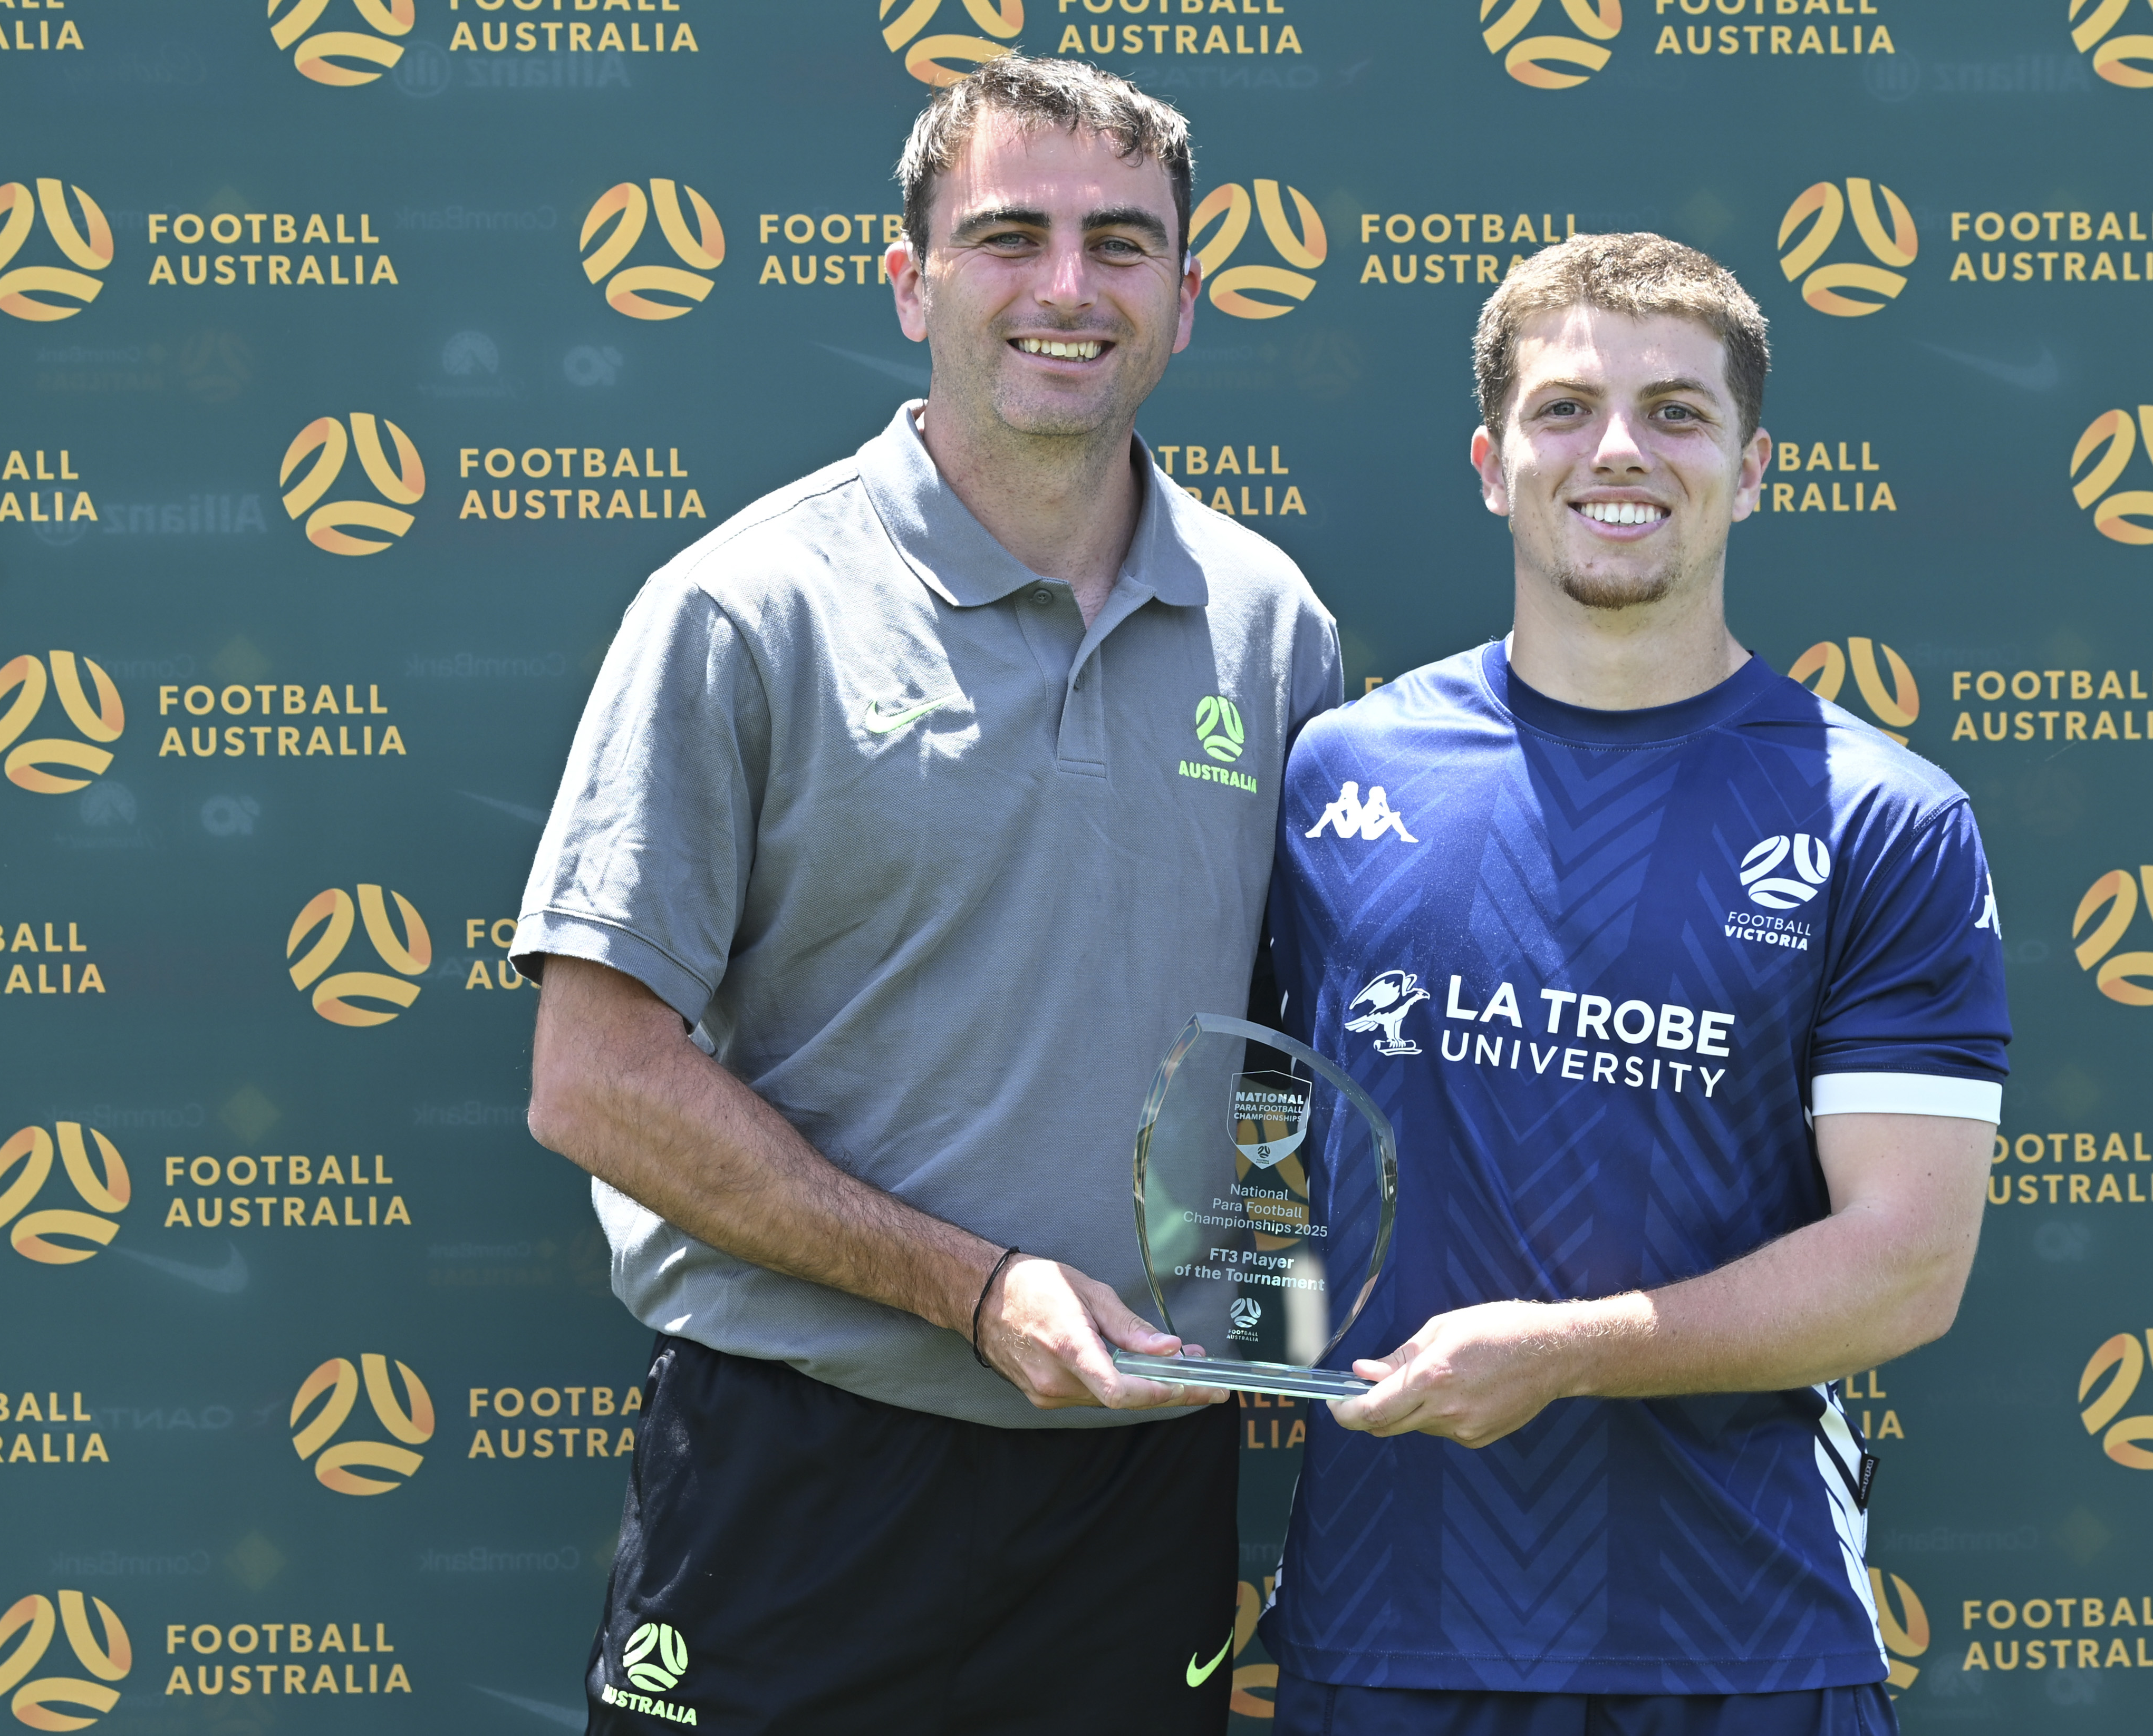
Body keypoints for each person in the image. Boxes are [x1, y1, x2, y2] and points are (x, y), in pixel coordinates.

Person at [509, 54, 1341, 1734]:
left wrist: (1303, 1327)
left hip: (1135, 1492)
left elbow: (1282, 1065)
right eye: (1006, 235)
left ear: (1184, 298)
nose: (1064, 287)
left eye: (1119, 243)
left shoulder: (1273, 629)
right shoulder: (742, 608)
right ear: (911, 284)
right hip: (804, 1468)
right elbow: (593, 1083)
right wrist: (967, 1288)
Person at [1259, 232, 2010, 1736]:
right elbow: (1250, 1149)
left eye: (1677, 412)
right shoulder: (1340, 770)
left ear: (1750, 469)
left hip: (1740, 1647)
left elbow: (1907, 1266)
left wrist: (1565, 1354)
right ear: (1490, 461)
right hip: (1382, 1625)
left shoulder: (1880, 812)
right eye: (1562, 410)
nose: (1618, 450)